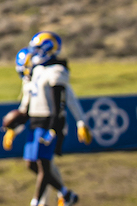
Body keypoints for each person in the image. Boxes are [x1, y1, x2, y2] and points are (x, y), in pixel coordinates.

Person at [18, 32, 89, 206]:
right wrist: (14, 128)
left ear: (47, 49)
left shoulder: (57, 71)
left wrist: (80, 122)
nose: (33, 53)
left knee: (44, 164)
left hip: (49, 123)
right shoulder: (38, 71)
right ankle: (65, 194)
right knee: (33, 164)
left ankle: (38, 202)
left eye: (37, 49)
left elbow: (66, 100)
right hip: (35, 123)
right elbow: (26, 107)